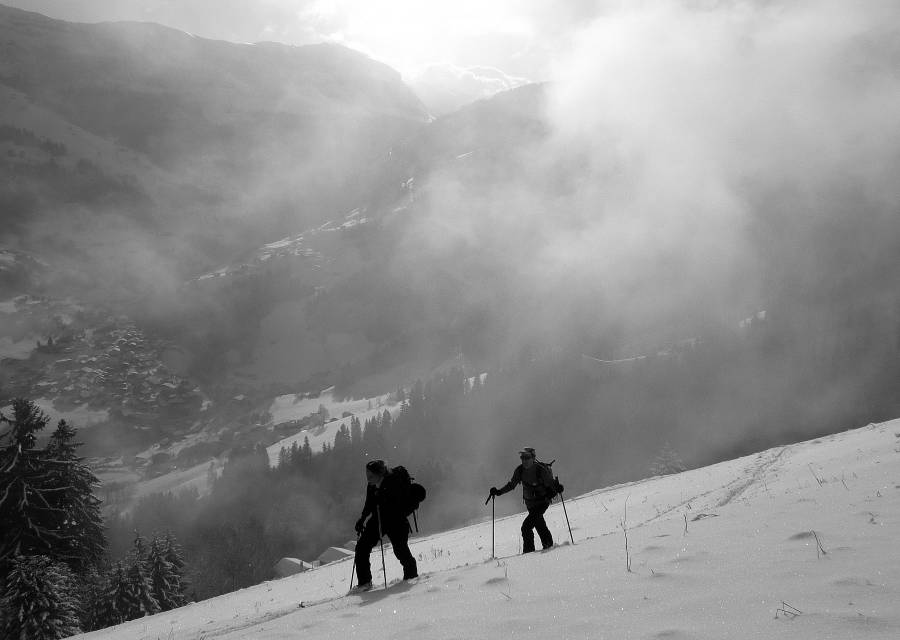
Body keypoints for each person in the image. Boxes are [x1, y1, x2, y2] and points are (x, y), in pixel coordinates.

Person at [351, 460, 418, 592]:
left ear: (379, 473)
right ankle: (364, 583)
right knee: (362, 547)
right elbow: (369, 504)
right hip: (378, 519)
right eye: (367, 475)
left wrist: (382, 497)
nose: (368, 479)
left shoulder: (393, 482)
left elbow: (395, 503)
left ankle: (411, 576)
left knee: (400, 549)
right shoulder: (371, 486)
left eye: (370, 476)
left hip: (396, 519)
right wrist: (362, 519)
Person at [488, 447, 559, 553]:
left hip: (542, 502)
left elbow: (550, 483)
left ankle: (528, 552)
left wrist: (558, 487)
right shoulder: (520, 470)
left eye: (527, 457)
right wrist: (498, 492)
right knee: (539, 524)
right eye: (522, 458)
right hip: (530, 504)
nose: (524, 460)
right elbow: (512, 485)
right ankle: (548, 545)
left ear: (533, 458)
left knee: (526, 527)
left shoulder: (540, 470)